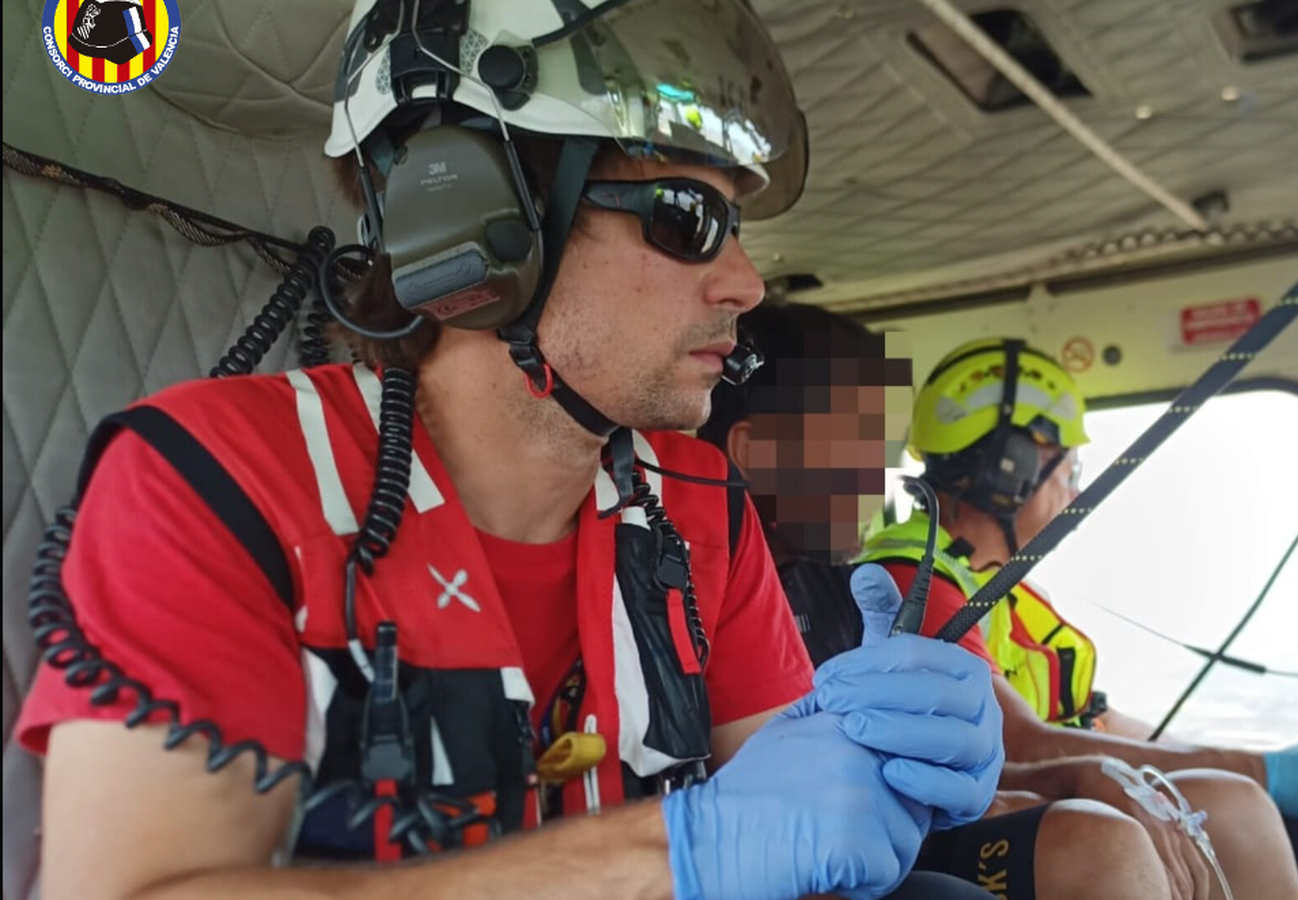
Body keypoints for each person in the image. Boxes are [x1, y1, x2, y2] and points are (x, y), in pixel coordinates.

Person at [14, 4, 1003, 900]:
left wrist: (875, 761)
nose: (745, 282)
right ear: (470, 218)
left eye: (735, 226)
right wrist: (673, 851)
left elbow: (790, 838)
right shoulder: (216, 476)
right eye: (687, 218)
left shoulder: (701, 503)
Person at [701, 303, 1298, 900]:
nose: (877, 476)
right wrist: (1069, 778)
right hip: (803, 854)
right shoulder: (900, 579)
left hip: (879, 833)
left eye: (883, 447)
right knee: (1097, 843)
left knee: (1207, 807)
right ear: (756, 453)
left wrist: (1080, 773)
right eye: (858, 444)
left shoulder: (840, 590)